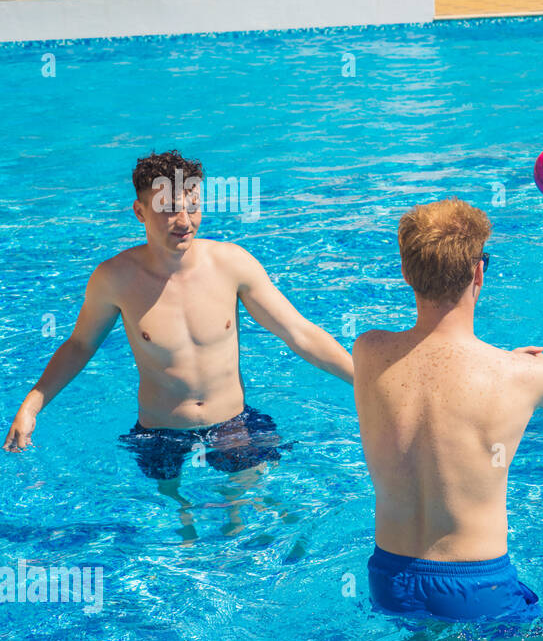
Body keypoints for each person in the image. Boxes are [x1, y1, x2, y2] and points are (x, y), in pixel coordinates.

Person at [3, 151, 354, 493]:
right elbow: (80, 345)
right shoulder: (115, 279)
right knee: (177, 523)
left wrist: (363, 379)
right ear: (140, 211)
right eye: (169, 209)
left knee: (248, 514)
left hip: (232, 424)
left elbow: (298, 332)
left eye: (193, 206)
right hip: (159, 432)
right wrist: (31, 406)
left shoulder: (232, 265)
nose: (185, 221)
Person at [353, 197, 543, 638]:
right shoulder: (522, 375)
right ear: (479, 272)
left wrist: (508, 368)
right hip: (476, 584)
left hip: (389, 580)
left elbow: (437, 381)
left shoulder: (369, 351)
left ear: (407, 273)